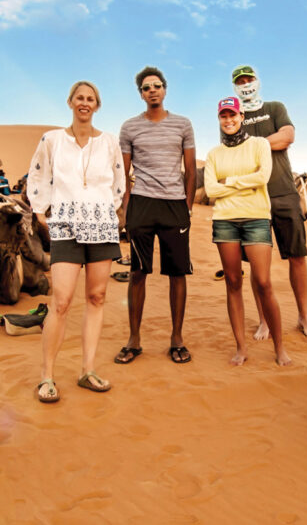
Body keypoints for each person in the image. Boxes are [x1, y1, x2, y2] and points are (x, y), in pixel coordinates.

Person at [27, 81, 125, 402]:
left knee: (96, 297)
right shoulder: (52, 139)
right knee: (62, 301)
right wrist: (40, 208)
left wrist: (106, 211)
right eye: (80, 98)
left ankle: (87, 370)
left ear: (97, 106)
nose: (85, 103)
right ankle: (47, 377)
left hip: (100, 226)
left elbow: (118, 182)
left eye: (91, 99)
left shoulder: (109, 142)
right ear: (70, 101)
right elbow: (38, 173)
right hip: (66, 225)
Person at [114, 66, 196, 365]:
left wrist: (187, 207)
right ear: (141, 93)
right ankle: (134, 340)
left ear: (165, 89)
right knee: (137, 272)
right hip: (142, 204)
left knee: (177, 273)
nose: (152, 90)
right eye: (147, 87)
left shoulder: (183, 125)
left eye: (157, 86)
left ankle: (177, 338)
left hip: (174, 205)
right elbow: (122, 172)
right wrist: (124, 209)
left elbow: (190, 170)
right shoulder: (129, 127)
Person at [231, 64, 307, 339]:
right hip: (252, 198)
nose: (246, 84)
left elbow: (288, 136)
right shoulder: (234, 115)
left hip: (283, 192)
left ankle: (304, 316)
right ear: (235, 86)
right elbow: (233, 152)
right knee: (258, 265)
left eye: (249, 79)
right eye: (240, 81)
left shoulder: (275, 107)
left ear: (257, 81)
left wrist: (256, 145)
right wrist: (269, 143)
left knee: (297, 256)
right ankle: (264, 320)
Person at [204, 96, 291, 366]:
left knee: (264, 283)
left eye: (233, 115)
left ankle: (280, 348)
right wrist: (246, 183)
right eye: (224, 116)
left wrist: (228, 181)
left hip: (255, 218)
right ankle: (241, 348)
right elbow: (210, 190)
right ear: (219, 119)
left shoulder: (259, 144)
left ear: (242, 116)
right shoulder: (213, 154)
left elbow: (262, 177)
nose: (229, 120)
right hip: (225, 220)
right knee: (233, 282)